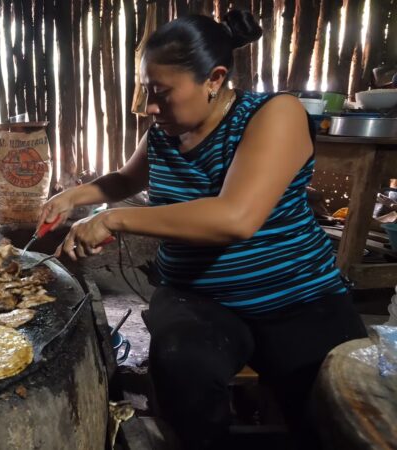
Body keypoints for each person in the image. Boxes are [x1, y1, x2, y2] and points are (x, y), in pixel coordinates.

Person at [39, 10, 367, 450]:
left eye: (162, 92)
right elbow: (125, 180)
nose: (150, 106)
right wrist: (73, 197)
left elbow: (236, 218)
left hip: (297, 296)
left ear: (214, 78)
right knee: (181, 370)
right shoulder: (163, 133)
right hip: (197, 295)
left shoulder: (274, 114)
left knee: (341, 406)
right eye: (145, 90)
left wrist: (112, 218)